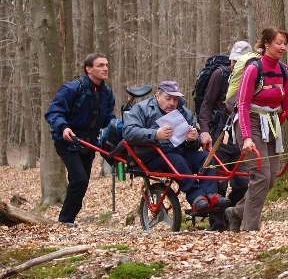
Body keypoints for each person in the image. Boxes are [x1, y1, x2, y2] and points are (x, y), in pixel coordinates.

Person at [225, 28, 288, 231]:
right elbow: (242, 104)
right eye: (279, 42)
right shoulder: (254, 69)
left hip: (271, 124)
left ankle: (235, 213)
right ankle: (249, 229)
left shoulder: (285, 71)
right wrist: (246, 137)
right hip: (249, 122)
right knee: (260, 176)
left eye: (285, 43)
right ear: (267, 44)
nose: (283, 47)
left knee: (269, 179)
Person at [123, 80, 228, 218]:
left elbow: (194, 144)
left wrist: (193, 139)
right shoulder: (142, 109)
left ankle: (212, 195)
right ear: (157, 95)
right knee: (176, 159)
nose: (172, 103)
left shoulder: (184, 111)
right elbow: (129, 132)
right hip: (153, 155)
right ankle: (196, 197)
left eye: (175, 99)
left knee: (205, 158)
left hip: (181, 152)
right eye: (168, 98)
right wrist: (156, 134)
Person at [45, 53, 116, 227]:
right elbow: (54, 112)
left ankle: (68, 219)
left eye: (106, 65)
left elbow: (107, 118)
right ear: (88, 69)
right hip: (68, 140)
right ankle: (65, 220)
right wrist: (63, 127)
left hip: (89, 142)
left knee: (81, 183)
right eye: (100, 65)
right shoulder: (72, 88)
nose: (105, 68)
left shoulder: (107, 92)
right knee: (79, 179)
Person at [199, 40, 252, 229]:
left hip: (242, 135)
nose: (235, 65)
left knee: (243, 181)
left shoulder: (253, 77)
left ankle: (233, 215)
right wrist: (204, 130)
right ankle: (217, 223)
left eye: (241, 62)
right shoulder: (219, 75)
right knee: (218, 181)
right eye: (234, 61)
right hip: (219, 134)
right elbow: (206, 104)